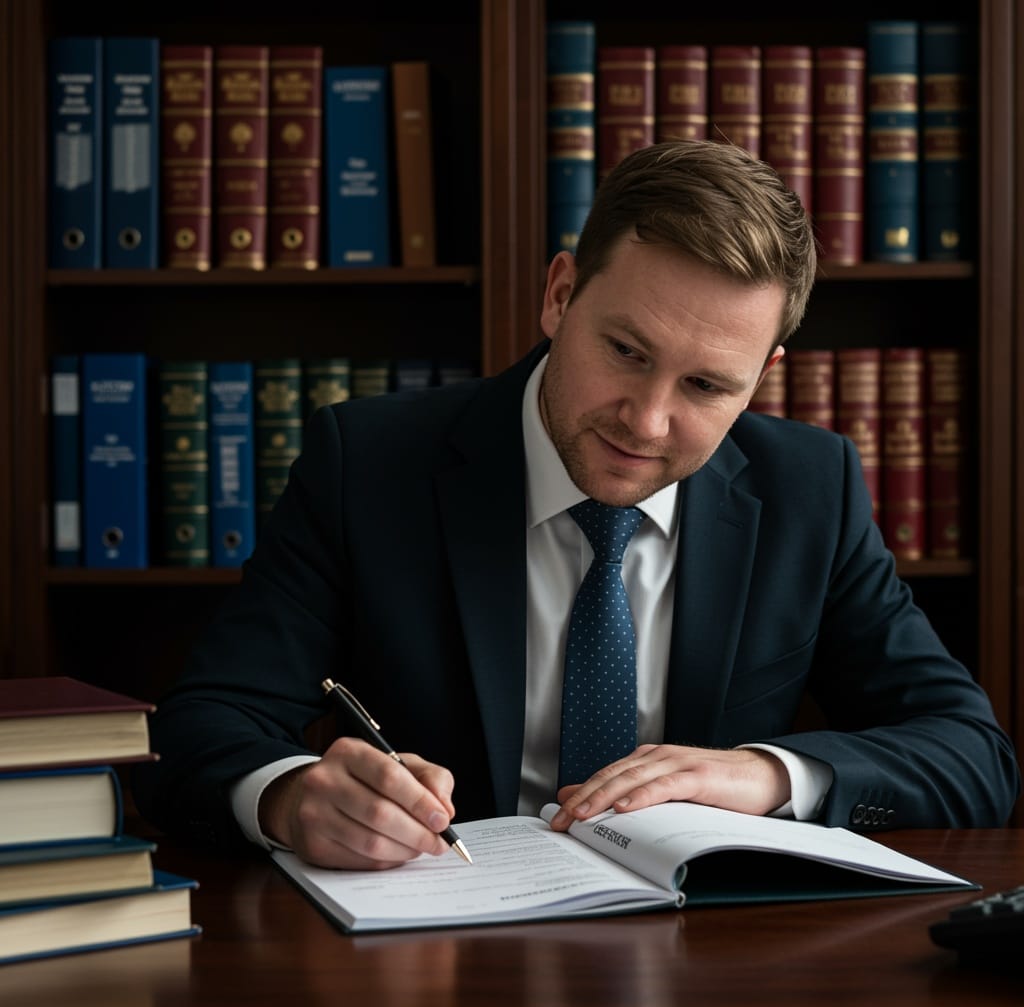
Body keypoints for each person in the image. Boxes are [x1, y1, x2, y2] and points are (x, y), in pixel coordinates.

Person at [133, 139, 1020, 870]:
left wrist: (763, 776)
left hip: (713, 968)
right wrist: (289, 796)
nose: (648, 419)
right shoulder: (367, 464)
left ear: (761, 379)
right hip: (434, 952)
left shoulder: (807, 487)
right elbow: (207, 721)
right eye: (627, 351)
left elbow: (973, 755)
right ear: (561, 295)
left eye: (709, 384)